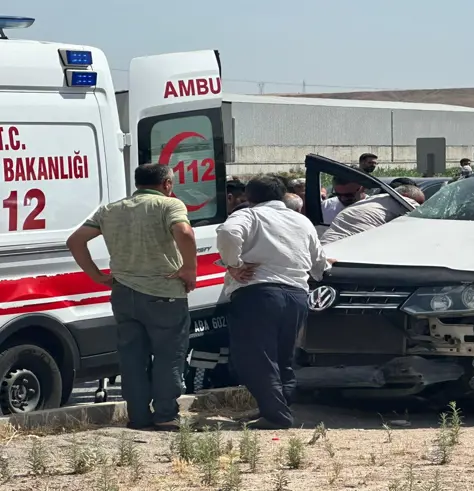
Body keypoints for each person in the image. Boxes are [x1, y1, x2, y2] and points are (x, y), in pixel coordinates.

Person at [65, 164, 197, 431]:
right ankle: (166, 415)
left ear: (137, 184)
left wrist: (95, 274)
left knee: (132, 357)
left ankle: (138, 417)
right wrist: (189, 269)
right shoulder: (169, 206)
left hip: (123, 292)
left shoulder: (110, 210)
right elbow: (184, 233)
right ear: (167, 184)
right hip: (164, 293)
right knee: (168, 355)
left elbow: (75, 240)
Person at [216, 175, 333, 429]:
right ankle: (279, 407)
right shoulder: (301, 220)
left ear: (249, 196)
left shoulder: (249, 215)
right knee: (283, 357)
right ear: (281, 195)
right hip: (297, 295)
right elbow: (318, 261)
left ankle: (276, 415)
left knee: (255, 357)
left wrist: (233, 265)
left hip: (258, 295)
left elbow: (227, 233)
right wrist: (320, 270)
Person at [321, 185, 425, 244]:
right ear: (405, 196)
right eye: (420, 203)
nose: (420, 205)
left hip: (326, 247)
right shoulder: (406, 201)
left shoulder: (371, 201)